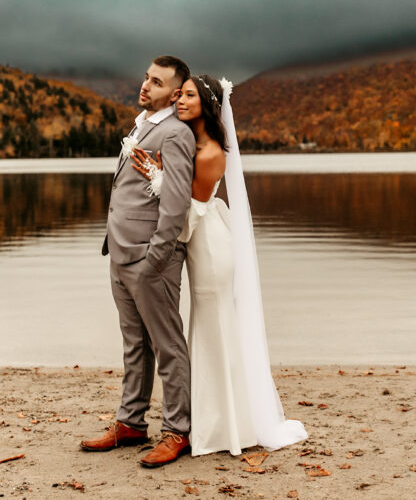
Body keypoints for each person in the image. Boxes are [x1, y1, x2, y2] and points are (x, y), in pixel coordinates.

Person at [130, 74, 307, 456]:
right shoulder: (191, 141)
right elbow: (182, 191)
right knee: (206, 328)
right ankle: (213, 421)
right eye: (180, 94)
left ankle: (223, 426)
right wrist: (162, 172)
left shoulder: (211, 152)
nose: (180, 100)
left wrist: (155, 177)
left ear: (207, 105)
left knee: (213, 328)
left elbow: (187, 209)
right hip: (201, 241)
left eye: (189, 95)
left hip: (209, 248)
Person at [81, 55, 196, 468]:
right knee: (135, 344)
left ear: (174, 93)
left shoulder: (176, 134)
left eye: (158, 83)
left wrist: (157, 257)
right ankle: (130, 423)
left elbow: (177, 202)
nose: (146, 86)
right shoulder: (142, 124)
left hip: (151, 257)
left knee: (167, 345)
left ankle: (176, 431)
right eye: (147, 78)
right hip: (121, 250)